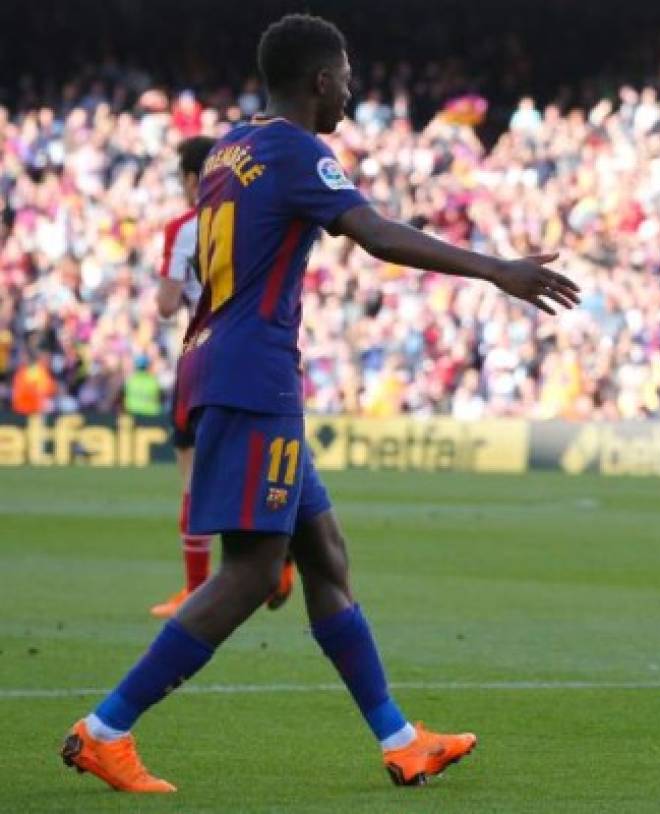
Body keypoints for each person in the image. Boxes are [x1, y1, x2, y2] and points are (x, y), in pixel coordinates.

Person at [60, 13, 579, 794]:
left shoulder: (231, 148)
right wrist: (495, 269)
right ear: (321, 80)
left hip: (223, 365)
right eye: (347, 76)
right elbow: (372, 232)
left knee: (324, 555)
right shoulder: (301, 150)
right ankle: (106, 729)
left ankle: (402, 740)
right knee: (252, 571)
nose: (352, 89)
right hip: (253, 377)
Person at [148, 135, 297, 619]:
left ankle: (195, 587)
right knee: (263, 467)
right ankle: (283, 558)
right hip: (262, 354)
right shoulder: (259, 217)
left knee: (195, 475)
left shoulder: (185, 227)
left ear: (193, 179)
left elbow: (168, 307)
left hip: (204, 359)